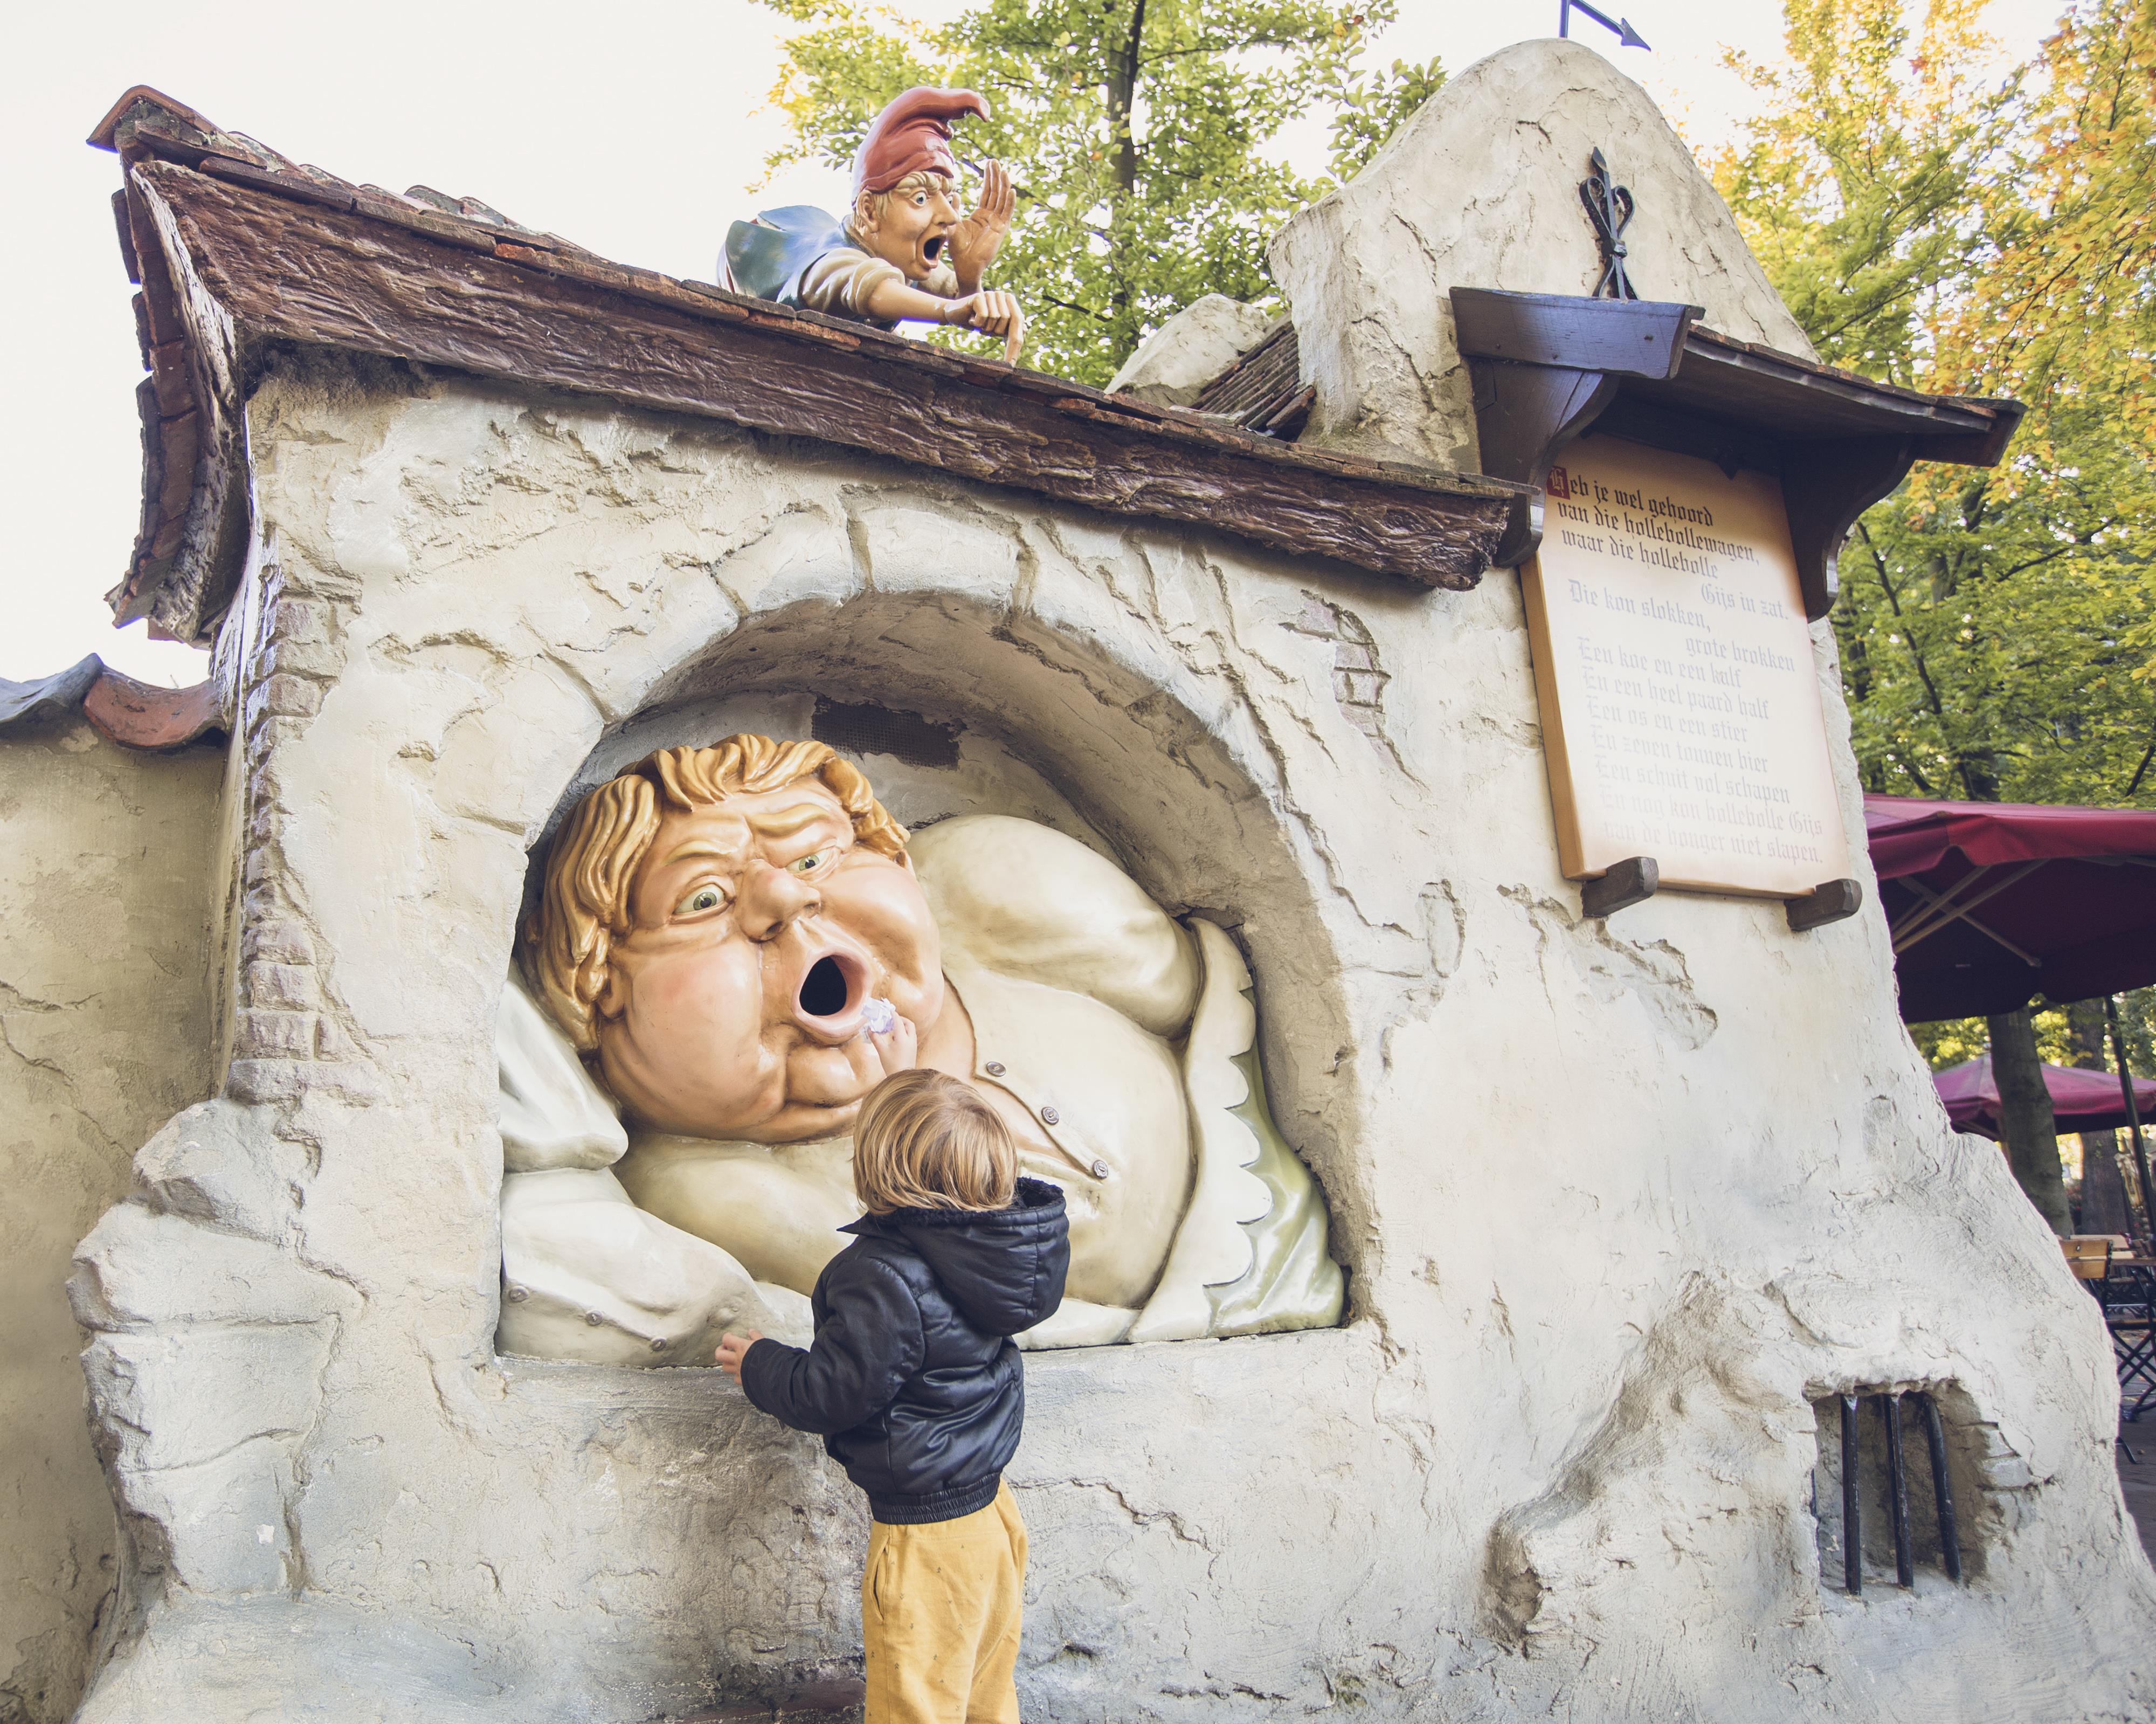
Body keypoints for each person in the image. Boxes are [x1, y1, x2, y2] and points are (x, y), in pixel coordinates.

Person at [717, 1069, 1069, 1724]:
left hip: (927, 1539)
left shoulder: (878, 1275)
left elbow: (834, 1392)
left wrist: (761, 1363)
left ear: (878, 1169)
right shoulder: (998, 1260)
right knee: (982, 1695)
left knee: (916, 1705)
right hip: (993, 1518)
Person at [723, 86, 1026, 361]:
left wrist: (970, 279)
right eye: (921, 199)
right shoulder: (833, 262)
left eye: (949, 199)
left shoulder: (902, 255)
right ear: (869, 210)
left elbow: (961, 299)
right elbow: (866, 285)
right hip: (761, 266)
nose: (951, 217)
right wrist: (946, 311)